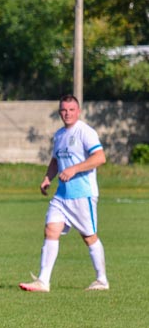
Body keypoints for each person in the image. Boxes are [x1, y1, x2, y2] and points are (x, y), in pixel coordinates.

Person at [19, 94, 109, 293]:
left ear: (78, 111)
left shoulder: (86, 132)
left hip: (82, 194)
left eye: (71, 110)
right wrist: (47, 178)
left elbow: (100, 157)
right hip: (62, 196)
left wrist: (75, 169)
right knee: (51, 230)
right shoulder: (59, 135)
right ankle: (43, 281)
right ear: (59, 112)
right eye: (63, 110)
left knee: (89, 237)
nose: (67, 113)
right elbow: (55, 161)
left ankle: (102, 280)